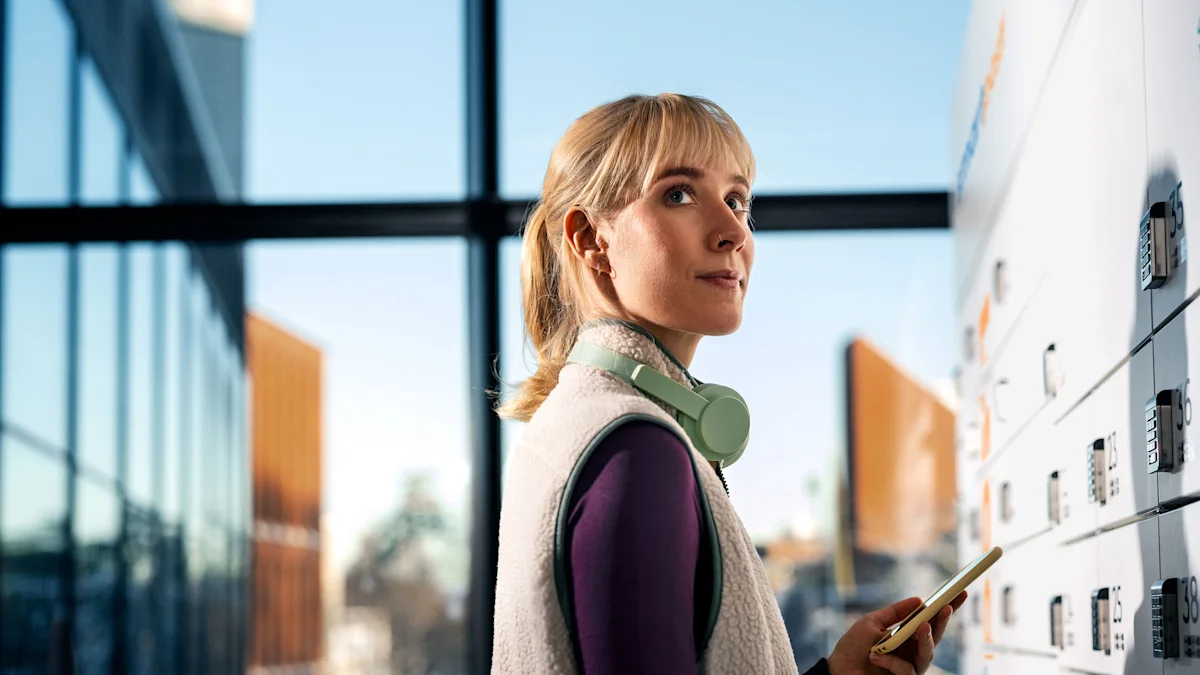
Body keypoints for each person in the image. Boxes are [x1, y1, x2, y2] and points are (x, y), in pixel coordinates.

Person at [492, 93, 964, 675]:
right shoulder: (635, 446)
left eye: (738, 200)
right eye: (679, 194)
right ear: (591, 240)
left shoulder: (573, 424)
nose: (731, 232)